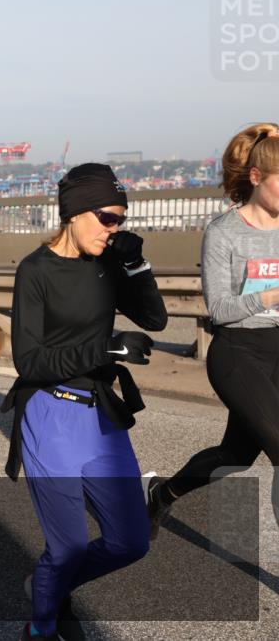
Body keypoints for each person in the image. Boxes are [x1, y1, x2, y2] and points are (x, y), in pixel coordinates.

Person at [1, 164, 168, 640]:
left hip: (99, 415)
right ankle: (42, 625)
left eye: (121, 219)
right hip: (49, 413)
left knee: (130, 542)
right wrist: (105, 349)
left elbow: (155, 319)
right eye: (107, 218)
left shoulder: (107, 263)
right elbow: (29, 360)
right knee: (68, 547)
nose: (114, 228)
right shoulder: (35, 270)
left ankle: (49, 586)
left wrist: (136, 266)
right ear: (75, 212)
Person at [148, 123, 279, 538]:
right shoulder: (223, 232)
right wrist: (272, 294)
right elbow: (219, 310)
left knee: (236, 455)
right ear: (256, 177)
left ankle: (161, 494)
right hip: (238, 352)